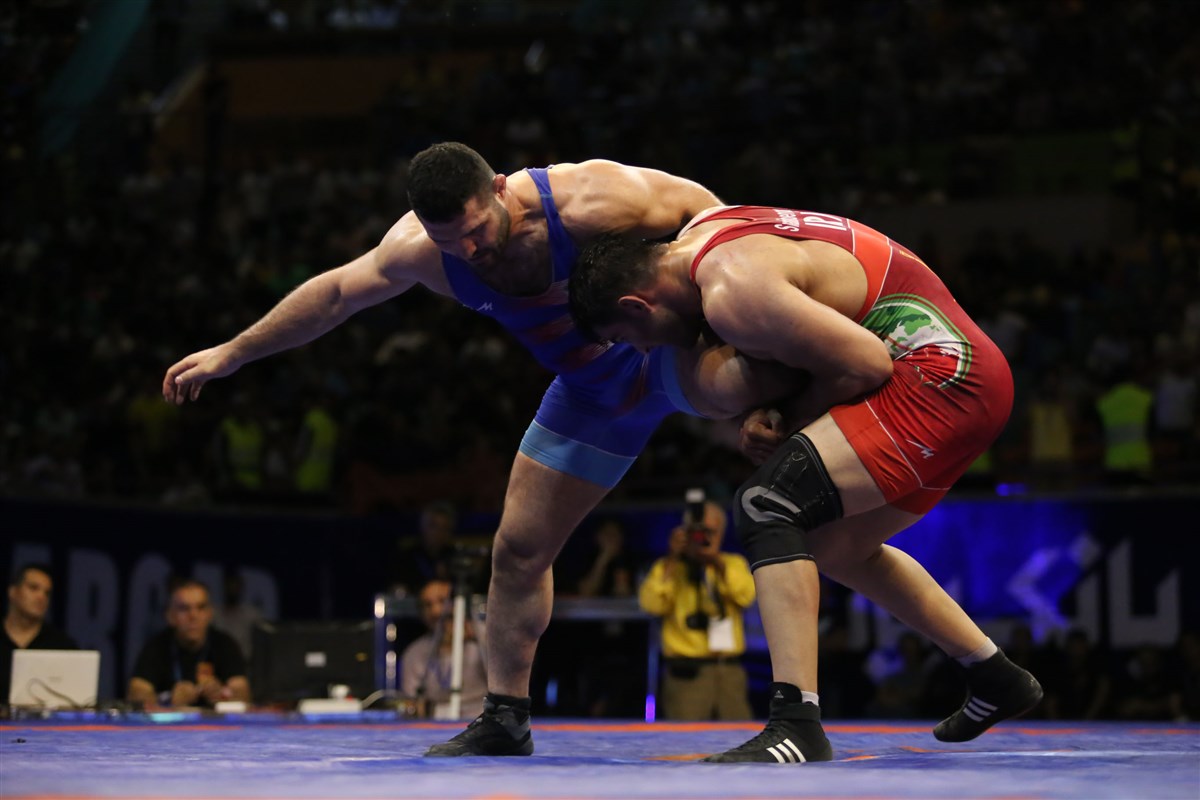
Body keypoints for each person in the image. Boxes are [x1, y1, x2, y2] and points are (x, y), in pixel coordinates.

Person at [162, 143, 800, 755]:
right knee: (517, 549)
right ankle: (505, 716)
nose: (469, 250)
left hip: (661, 347)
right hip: (590, 393)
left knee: (741, 383)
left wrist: (721, 332)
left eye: (475, 230)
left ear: (498, 188)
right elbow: (334, 295)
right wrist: (233, 353)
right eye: (450, 242)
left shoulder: (586, 199)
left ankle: (826, 392)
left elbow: (709, 213)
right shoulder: (421, 250)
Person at [569, 205, 1044, 763]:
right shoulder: (708, 230)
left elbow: (865, 364)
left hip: (938, 378)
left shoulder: (730, 292)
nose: (646, 350)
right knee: (833, 547)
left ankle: (796, 723)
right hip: (963, 370)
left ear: (637, 304)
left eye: (630, 337)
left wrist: (786, 420)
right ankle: (993, 675)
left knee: (768, 503)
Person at [638, 496, 755, 721]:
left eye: (710, 532)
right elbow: (651, 605)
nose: (703, 538)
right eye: (698, 532)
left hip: (728, 672)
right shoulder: (667, 567)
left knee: (739, 736)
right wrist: (673, 559)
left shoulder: (732, 564)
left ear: (721, 534)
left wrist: (716, 562)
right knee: (685, 739)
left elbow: (746, 596)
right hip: (686, 675)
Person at [128, 578, 251, 709]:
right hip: (172, 721)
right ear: (170, 616)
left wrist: (223, 694)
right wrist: (169, 698)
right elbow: (136, 694)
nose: (193, 616)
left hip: (215, 721)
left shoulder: (225, 644)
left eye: (201, 607)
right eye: (184, 608)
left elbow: (243, 694)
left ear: (210, 614)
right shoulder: (157, 647)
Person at [400, 578, 487, 720]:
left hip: (482, 720)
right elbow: (412, 703)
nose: (436, 611)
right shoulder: (415, 653)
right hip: (438, 725)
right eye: (428, 605)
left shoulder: (484, 638)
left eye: (442, 601)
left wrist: (475, 635)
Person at [1, 564, 78, 702]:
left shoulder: (62, 646)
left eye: (47, 593)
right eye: (33, 588)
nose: (41, 597)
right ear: (13, 592)